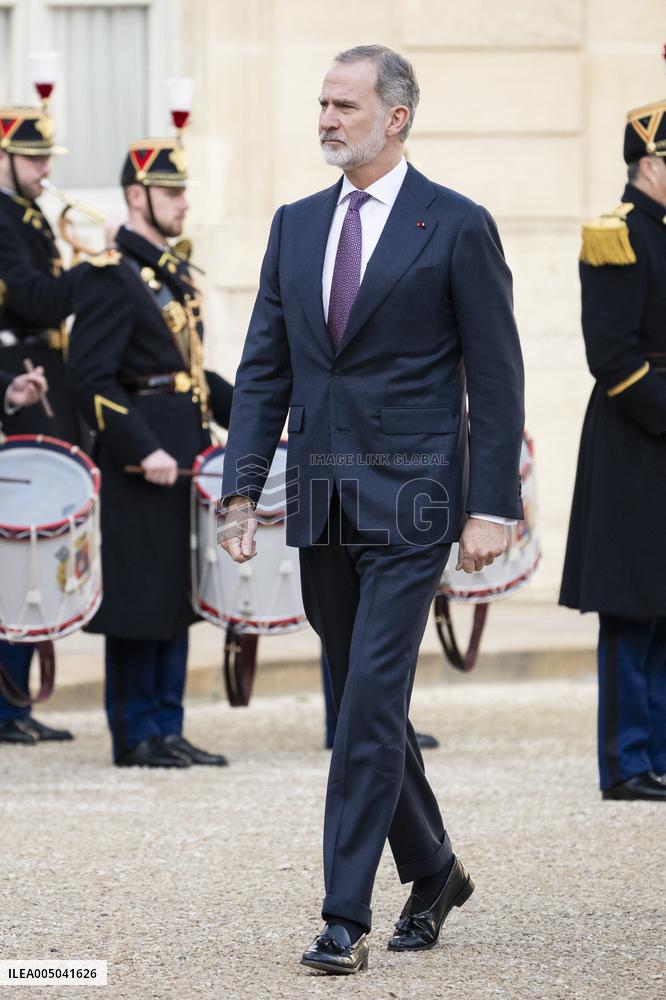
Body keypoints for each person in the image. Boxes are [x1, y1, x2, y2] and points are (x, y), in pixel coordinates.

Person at [219, 45, 524, 973]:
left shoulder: (457, 225)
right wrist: (240, 489)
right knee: (363, 700)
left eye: (344, 104)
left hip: (416, 499)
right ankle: (433, 868)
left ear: (396, 118)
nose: (325, 118)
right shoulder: (295, 224)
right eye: (321, 102)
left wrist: (491, 507)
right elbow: (265, 366)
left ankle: (343, 916)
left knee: (367, 703)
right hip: (321, 499)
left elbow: (498, 378)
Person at [67, 121, 233, 769]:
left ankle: (167, 724)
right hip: (142, 460)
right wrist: (140, 447)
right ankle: (135, 732)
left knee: (176, 592)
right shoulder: (112, 276)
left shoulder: (167, 275)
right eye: (171, 191)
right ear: (138, 197)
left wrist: (256, 415)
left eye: (184, 189)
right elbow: (90, 379)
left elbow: (193, 374)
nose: (184, 200)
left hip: (183, 450)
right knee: (139, 596)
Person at [560, 99, 666, 802]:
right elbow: (615, 357)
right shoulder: (617, 234)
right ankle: (627, 762)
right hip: (637, 440)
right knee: (633, 609)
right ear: (652, 165)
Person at [0, 103, 83, 745]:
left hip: (43, 373)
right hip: (15, 369)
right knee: (14, 548)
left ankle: (16, 702)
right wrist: (93, 273)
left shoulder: (29, 217)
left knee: (33, 550)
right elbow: (30, 299)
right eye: (33, 156)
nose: (45, 168)